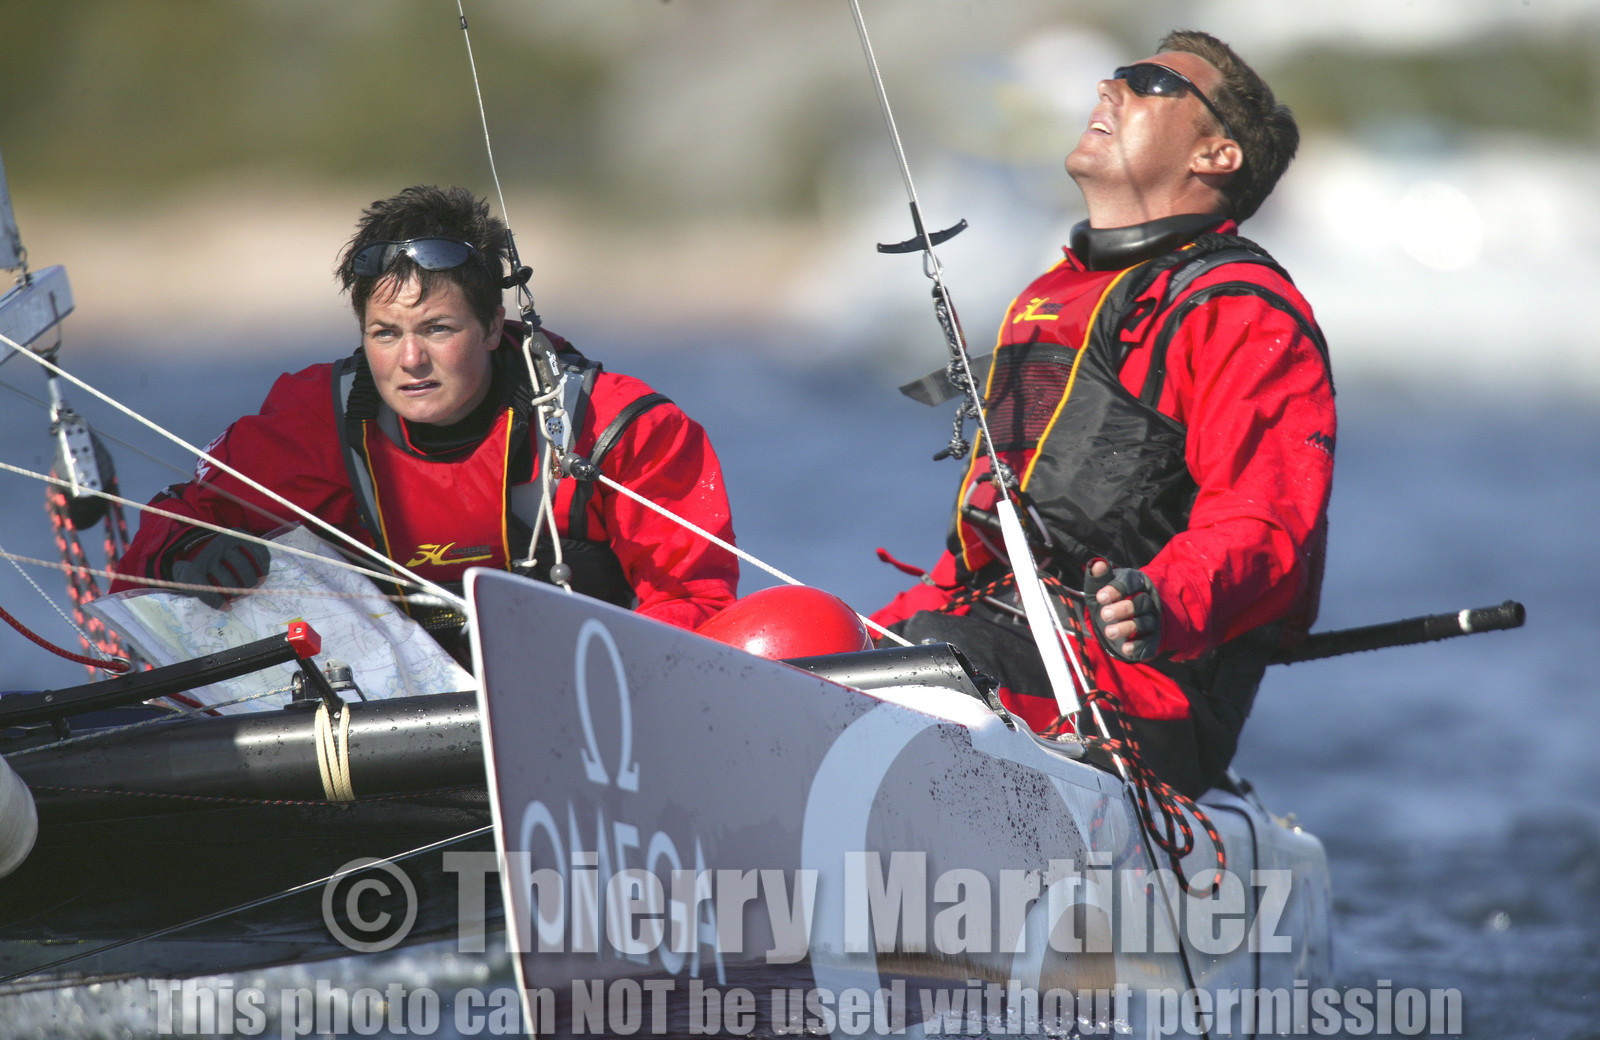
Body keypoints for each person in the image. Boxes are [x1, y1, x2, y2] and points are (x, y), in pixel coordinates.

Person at [874, 30, 1335, 797]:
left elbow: (1263, 529)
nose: (1108, 90)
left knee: (925, 650)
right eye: (1115, 75)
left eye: (1149, 82)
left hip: (1141, 695)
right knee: (808, 634)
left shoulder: (1244, 314)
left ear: (1215, 155)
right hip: (998, 637)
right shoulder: (1050, 299)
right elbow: (982, 558)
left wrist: (1160, 601)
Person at [114, 185, 738, 647]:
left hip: (586, 707)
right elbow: (163, 535)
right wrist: (186, 551)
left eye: (438, 329)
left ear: (495, 325)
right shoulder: (319, 424)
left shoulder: (615, 428)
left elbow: (700, 600)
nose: (411, 360)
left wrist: (598, 666)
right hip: (389, 725)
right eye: (384, 333)